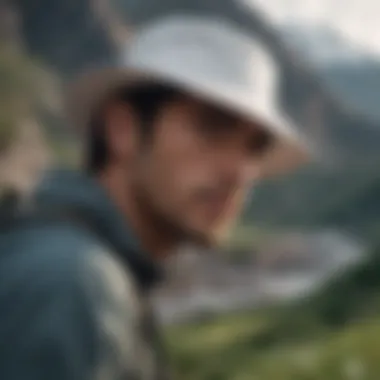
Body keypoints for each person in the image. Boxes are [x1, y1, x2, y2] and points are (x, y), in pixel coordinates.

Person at [0, 14, 312, 380]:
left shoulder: (74, 261)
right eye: (212, 127)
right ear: (122, 130)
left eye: (255, 148)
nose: (241, 172)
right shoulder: (76, 285)